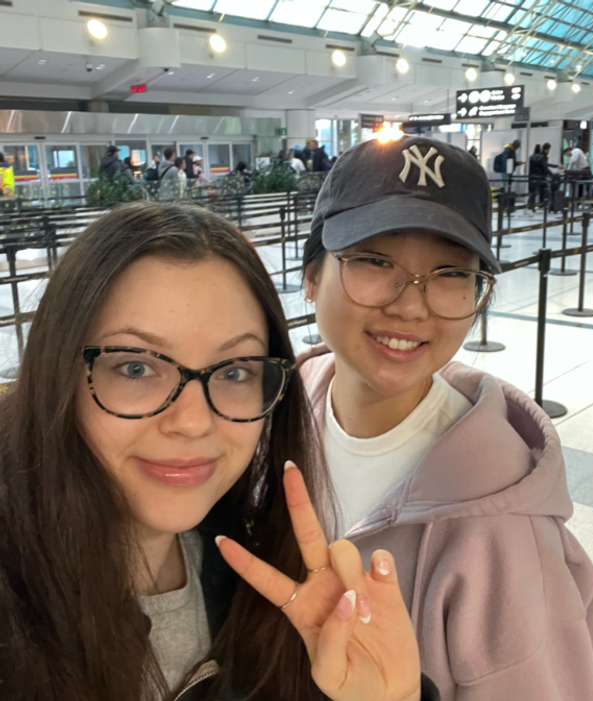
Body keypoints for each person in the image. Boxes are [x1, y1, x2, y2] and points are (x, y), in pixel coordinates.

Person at [0, 201, 436, 701]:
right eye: (136, 368)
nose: (193, 422)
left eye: (234, 372)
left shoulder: (267, 586)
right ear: (58, 373)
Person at [299, 136, 593, 700]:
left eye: (449, 274)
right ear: (310, 276)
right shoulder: (267, 418)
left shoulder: (505, 542)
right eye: (375, 261)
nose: (410, 305)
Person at [526, 144, 547, 209]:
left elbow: (527, 167)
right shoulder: (541, 157)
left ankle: (531, 204)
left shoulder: (530, 157)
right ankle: (541, 204)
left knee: (532, 191)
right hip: (539, 176)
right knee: (542, 190)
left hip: (531, 176)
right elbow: (544, 167)